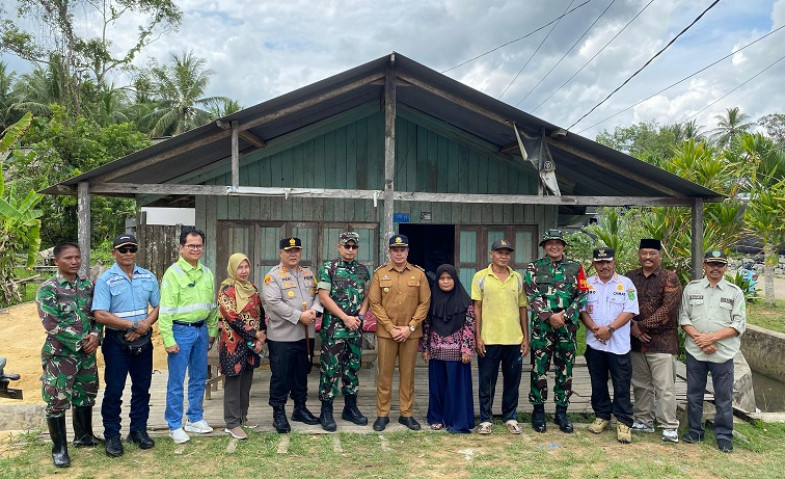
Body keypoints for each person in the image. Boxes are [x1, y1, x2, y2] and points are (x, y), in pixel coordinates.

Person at [92, 234, 160, 457]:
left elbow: (159, 306)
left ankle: (138, 431)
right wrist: (132, 325)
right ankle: (112, 435)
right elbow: (100, 314)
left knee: (142, 389)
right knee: (114, 390)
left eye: (132, 249)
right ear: (114, 253)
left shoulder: (148, 277)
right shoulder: (106, 280)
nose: (128, 253)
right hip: (116, 343)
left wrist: (144, 326)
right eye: (123, 250)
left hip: (143, 341)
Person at [36, 242, 102, 468]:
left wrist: (95, 335)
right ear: (56, 262)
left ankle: (84, 436)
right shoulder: (49, 288)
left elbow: (97, 314)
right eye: (68, 258)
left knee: (87, 392)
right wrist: (81, 341)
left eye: (77, 257)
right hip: (61, 355)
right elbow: (50, 323)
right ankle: (59, 449)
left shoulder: (87, 285)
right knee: (57, 399)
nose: (74, 261)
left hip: (87, 353)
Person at [680, 250, 746, 453]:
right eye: (711, 264)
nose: (715, 268)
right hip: (696, 351)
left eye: (720, 264)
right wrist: (701, 340)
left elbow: (738, 324)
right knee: (693, 394)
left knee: (724, 396)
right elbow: (684, 318)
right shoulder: (692, 289)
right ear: (704, 266)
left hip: (722, 352)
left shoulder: (735, 292)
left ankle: (724, 435)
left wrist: (711, 338)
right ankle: (694, 431)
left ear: (726, 267)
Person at [524, 229, 588, 433]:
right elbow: (531, 294)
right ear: (544, 246)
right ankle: (538, 411)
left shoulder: (576, 267)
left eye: (558, 243)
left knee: (565, 371)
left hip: (567, 328)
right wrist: (549, 316)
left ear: (563, 246)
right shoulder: (534, 267)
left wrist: (565, 315)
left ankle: (562, 411)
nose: (554, 246)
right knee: (539, 369)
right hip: (542, 328)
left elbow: (583, 293)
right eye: (550, 243)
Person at [159, 228, 219, 444]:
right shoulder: (173, 273)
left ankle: (195, 418)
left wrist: (212, 332)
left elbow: (212, 306)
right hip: (180, 331)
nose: (196, 249)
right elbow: (164, 310)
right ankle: (174, 425)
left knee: (199, 377)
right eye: (191, 245)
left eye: (199, 245)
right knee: (176, 380)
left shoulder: (207, 273)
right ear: (181, 247)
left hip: (202, 331)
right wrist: (168, 339)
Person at [369, 234, 431, 431]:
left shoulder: (418, 274)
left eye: (402, 249)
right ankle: (382, 414)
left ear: (407, 251)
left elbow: (425, 303)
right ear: (389, 252)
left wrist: (410, 326)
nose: (399, 253)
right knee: (384, 375)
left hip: (410, 334)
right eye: (395, 250)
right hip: (387, 334)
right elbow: (375, 303)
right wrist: (390, 327)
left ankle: (407, 413)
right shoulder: (380, 274)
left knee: (407, 374)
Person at [579, 247, 639, 444]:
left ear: (614, 263)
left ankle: (623, 421)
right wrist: (597, 330)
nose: (604, 266)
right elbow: (582, 311)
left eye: (608, 262)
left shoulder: (626, 284)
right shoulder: (587, 284)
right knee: (598, 383)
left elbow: (630, 311)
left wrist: (610, 329)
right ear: (594, 264)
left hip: (618, 345)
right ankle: (602, 416)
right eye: (599, 262)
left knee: (622, 384)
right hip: (595, 344)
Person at [626, 238, 682, 443]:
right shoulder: (630, 277)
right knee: (641, 384)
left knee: (664, 386)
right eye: (644, 253)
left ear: (660, 256)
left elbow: (667, 311)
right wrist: (633, 327)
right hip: (636, 342)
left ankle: (668, 425)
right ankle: (643, 420)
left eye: (652, 254)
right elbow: (622, 303)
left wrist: (641, 326)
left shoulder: (670, 278)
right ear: (638, 255)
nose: (647, 257)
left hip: (663, 343)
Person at [263, 237, 322, 433]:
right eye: (288, 251)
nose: (293, 254)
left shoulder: (308, 274)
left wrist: (314, 311)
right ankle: (278, 412)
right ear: (281, 253)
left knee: (301, 373)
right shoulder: (273, 277)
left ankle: (300, 408)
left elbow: (318, 296)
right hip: (282, 337)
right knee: (281, 376)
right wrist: (299, 316)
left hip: (305, 336)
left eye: (296, 250)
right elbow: (273, 302)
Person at [471, 240, 529, 435]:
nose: (504, 256)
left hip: (513, 339)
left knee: (513, 381)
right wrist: (478, 336)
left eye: (507, 253)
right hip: (489, 338)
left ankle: (510, 417)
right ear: (491, 254)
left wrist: (525, 337)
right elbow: (476, 309)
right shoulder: (480, 277)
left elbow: (522, 309)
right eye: (499, 252)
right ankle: (486, 420)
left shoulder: (517, 278)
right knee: (487, 381)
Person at [316, 232, 371, 431]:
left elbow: (367, 296)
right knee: (329, 371)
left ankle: (350, 408)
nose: (350, 250)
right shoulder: (328, 269)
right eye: (346, 246)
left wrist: (360, 317)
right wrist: (345, 317)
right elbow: (324, 297)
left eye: (354, 247)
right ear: (339, 247)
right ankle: (326, 410)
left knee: (352, 370)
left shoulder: (363, 271)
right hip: (334, 330)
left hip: (355, 330)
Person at [420, 265, 476, 433]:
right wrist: (425, 348)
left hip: (458, 353)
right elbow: (427, 325)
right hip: (436, 351)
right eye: (442, 279)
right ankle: (436, 418)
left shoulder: (465, 301)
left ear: (455, 280)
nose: (445, 282)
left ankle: (455, 420)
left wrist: (467, 348)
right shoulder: (431, 300)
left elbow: (470, 324)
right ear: (437, 281)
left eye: (449, 278)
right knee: (437, 387)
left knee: (455, 387)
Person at [218, 253, 266, 440]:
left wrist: (262, 337)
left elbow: (261, 313)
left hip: (251, 345)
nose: (244, 271)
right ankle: (232, 423)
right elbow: (233, 318)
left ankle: (242, 418)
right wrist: (255, 334)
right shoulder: (226, 291)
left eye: (246, 266)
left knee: (246, 383)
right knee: (233, 384)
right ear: (232, 268)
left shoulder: (252, 289)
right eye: (240, 267)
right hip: (233, 344)